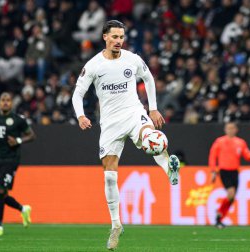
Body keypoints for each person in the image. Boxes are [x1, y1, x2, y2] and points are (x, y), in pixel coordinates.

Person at [71, 20, 180, 250]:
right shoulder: (93, 65)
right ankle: (116, 225)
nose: (119, 41)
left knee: (152, 138)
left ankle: (170, 171)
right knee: (110, 177)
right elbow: (77, 94)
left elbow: (149, 78)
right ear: (105, 37)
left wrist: (152, 107)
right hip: (110, 123)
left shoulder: (132, 59)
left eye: (121, 37)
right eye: (115, 37)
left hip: (133, 113)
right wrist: (81, 116)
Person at [0, 92, 36, 236]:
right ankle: (23, 209)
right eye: (3, 100)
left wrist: (18, 141)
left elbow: (32, 135)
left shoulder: (18, 119)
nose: (5, 102)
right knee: (2, 194)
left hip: (11, 159)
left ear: (12, 103)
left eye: (8, 100)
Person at [209, 122, 250, 229]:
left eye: (232, 128)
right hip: (224, 171)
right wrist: (213, 171)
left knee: (232, 198)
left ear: (236, 130)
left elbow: (247, 156)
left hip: (235, 172)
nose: (230, 130)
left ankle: (219, 218)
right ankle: (219, 212)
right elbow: (213, 156)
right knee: (231, 193)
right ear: (225, 130)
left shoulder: (240, 142)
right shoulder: (220, 141)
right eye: (228, 128)